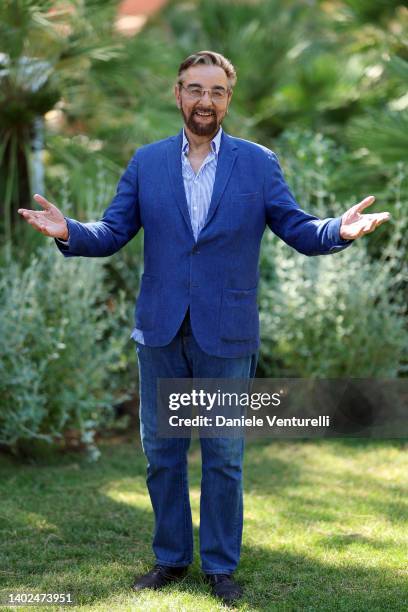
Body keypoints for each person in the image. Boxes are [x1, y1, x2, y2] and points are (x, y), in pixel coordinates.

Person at [18, 50, 390, 605]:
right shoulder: (146, 163)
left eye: (216, 91)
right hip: (161, 330)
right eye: (195, 89)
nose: (205, 101)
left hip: (226, 330)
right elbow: (113, 230)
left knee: (223, 454)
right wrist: (68, 229)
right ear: (178, 95)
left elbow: (297, 227)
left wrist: (339, 228)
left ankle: (220, 567)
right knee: (162, 453)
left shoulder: (258, 163)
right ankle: (170, 559)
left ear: (228, 99)